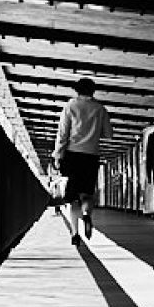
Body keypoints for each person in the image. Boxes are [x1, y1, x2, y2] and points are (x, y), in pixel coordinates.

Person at [52, 77, 113, 248]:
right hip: (91, 156)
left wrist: (58, 155)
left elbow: (62, 133)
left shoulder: (70, 106)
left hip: (72, 156)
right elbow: (109, 134)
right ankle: (87, 215)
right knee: (87, 194)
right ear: (93, 91)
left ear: (77, 90)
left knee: (72, 199)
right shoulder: (100, 109)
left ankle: (74, 234)